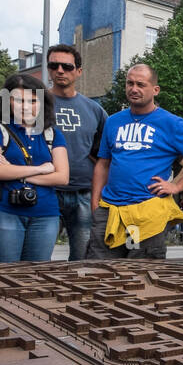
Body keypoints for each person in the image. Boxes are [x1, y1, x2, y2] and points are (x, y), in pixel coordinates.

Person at [88, 63, 183, 260]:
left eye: (141, 84)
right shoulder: (113, 121)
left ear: (155, 90)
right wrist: (95, 204)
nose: (134, 89)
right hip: (110, 211)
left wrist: (176, 186)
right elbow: (103, 164)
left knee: (139, 273)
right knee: (99, 270)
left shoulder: (171, 123)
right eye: (129, 83)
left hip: (145, 214)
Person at [0, 74, 70, 263]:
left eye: (32, 100)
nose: (26, 106)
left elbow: (62, 177)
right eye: (18, 100)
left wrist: (11, 170)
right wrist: (43, 169)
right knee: (5, 274)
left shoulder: (53, 134)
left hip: (45, 215)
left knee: (36, 277)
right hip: (3, 211)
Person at [46, 44, 106, 261]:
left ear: (79, 71)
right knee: (38, 257)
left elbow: (103, 155)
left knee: (82, 259)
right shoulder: (35, 104)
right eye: (54, 65)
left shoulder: (94, 109)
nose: (60, 70)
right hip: (46, 192)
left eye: (67, 66)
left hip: (84, 193)